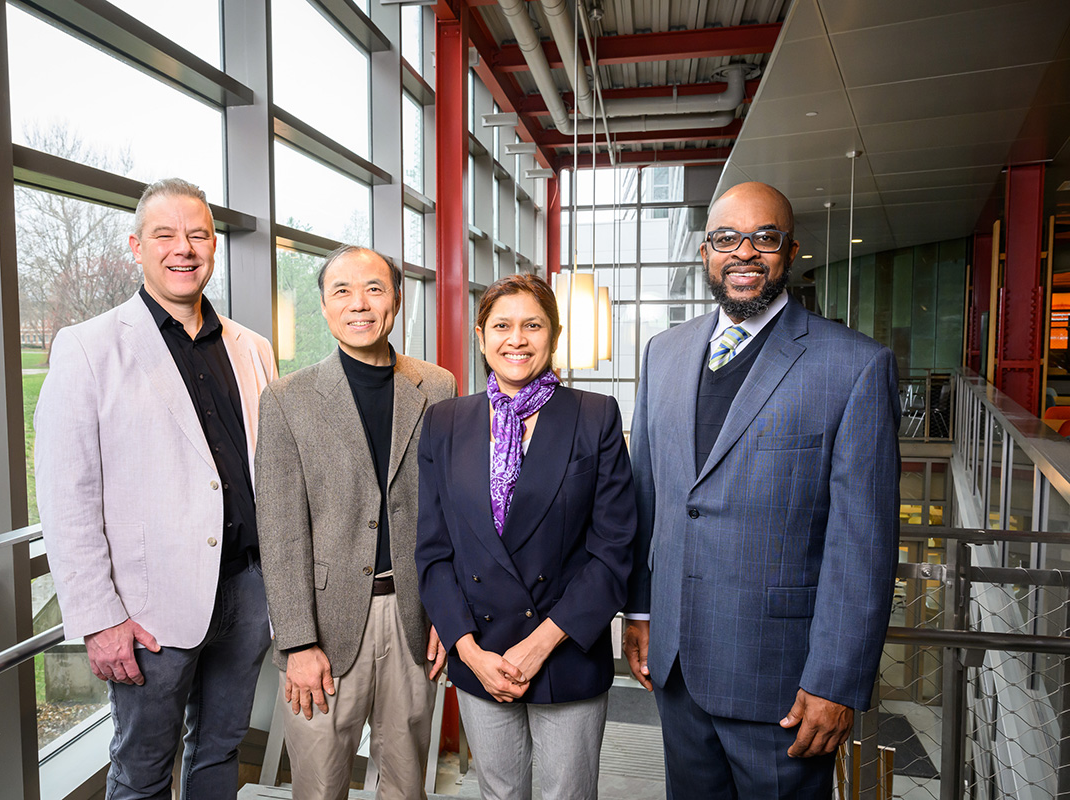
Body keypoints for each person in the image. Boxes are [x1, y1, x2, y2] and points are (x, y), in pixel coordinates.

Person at [622, 181, 901, 799]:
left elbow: (865, 544)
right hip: (678, 669)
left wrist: (836, 679)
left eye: (763, 238)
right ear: (705, 252)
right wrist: (640, 611)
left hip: (785, 682)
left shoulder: (853, 366)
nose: (743, 253)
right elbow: (648, 499)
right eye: (726, 238)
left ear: (791, 249)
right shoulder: (664, 353)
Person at [35, 178, 278, 799]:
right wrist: (98, 618)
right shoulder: (89, 348)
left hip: (247, 590)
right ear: (136, 247)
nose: (183, 248)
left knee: (221, 755)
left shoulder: (251, 349)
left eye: (197, 234)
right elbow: (67, 499)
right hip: (147, 612)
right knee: (142, 772)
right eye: (164, 234)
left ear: (214, 247)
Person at [415, 274, 637, 800]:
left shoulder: (594, 415)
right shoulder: (446, 421)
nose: (516, 339)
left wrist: (539, 646)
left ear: (553, 335)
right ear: (480, 334)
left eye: (532, 325)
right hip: (482, 653)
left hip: (564, 648)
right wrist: (466, 648)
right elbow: (433, 549)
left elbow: (613, 550)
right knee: (498, 794)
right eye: (502, 325)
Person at [256, 245, 457, 800]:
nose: (359, 304)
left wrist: (449, 611)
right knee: (320, 785)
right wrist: (297, 643)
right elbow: (279, 529)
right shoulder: (287, 399)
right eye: (341, 291)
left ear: (396, 298)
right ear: (323, 306)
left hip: (414, 615)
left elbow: (452, 511)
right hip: (324, 624)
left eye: (373, 288)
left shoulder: (437, 387)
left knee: (407, 783)